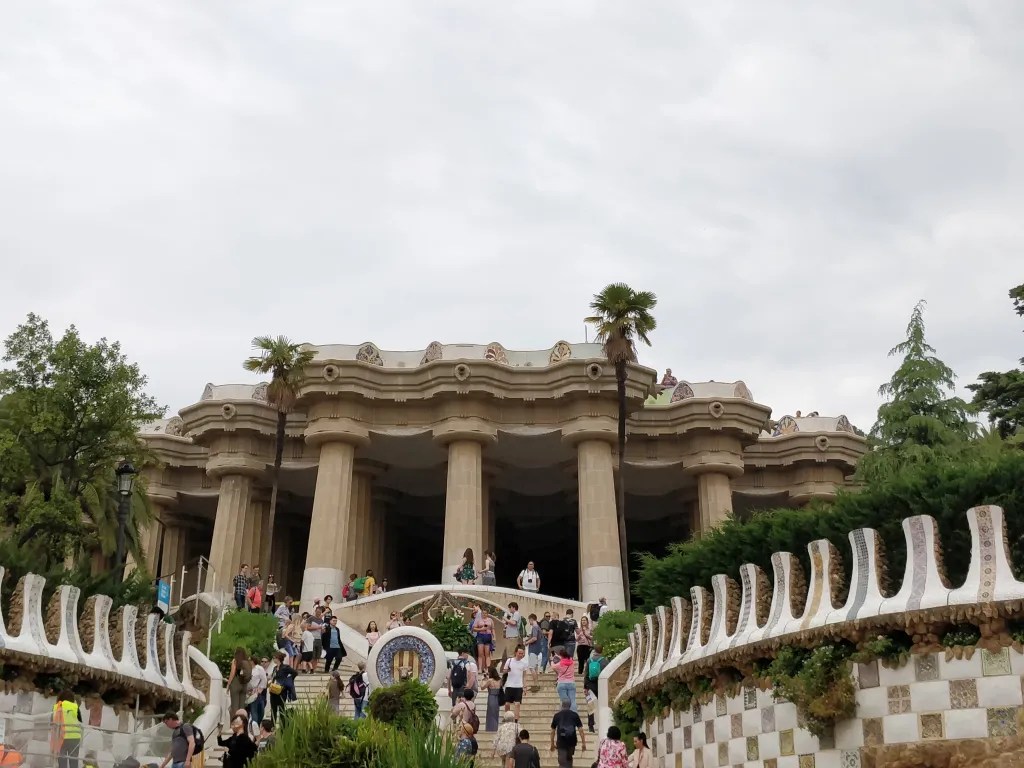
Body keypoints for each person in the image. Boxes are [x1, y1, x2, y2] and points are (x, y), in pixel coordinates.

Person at [50, 690, 82, 768]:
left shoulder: (56, 706)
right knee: (73, 761)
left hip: (61, 737)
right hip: (75, 737)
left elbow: (52, 721)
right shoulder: (75, 706)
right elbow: (79, 719)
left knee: (62, 761)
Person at [550, 699, 586, 768]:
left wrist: (552, 744)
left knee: (562, 763)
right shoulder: (575, 715)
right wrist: (583, 743)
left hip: (561, 742)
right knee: (569, 760)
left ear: (562, 705)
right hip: (572, 742)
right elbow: (581, 730)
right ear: (570, 706)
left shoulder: (557, 715)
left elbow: (552, 731)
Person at [501, 645, 529, 723]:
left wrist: (525, 686)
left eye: (522, 653)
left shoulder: (524, 663)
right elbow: (504, 671)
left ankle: (516, 720)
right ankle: (507, 717)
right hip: (509, 685)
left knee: (517, 704)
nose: (521, 655)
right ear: (515, 652)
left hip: (518, 686)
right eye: (519, 653)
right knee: (507, 704)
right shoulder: (509, 660)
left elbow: (524, 675)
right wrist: (507, 670)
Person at [268, 651, 297, 723]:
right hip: (273, 691)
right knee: (273, 709)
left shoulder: (285, 667)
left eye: (274, 658)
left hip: (282, 692)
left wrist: (287, 681)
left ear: (278, 658)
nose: (273, 659)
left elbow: (295, 673)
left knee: (281, 709)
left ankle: (283, 726)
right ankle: (273, 725)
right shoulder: (275, 668)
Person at [226, 647, 252, 713]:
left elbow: (232, 673)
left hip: (236, 684)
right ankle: (242, 721)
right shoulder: (247, 662)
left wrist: (228, 685)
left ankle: (235, 721)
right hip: (244, 685)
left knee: (234, 707)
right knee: (242, 707)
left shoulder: (235, 661)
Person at [246, 652, 268, 725]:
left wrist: (259, 690)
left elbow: (264, 680)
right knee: (246, 711)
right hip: (246, 692)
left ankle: (256, 726)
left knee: (254, 710)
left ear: (253, 661)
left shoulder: (259, 669)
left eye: (249, 660)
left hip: (255, 692)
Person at [553, 647, 577, 712]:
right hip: (571, 683)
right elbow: (566, 659)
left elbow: (553, 666)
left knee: (563, 701)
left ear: (561, 656)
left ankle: (563, 716)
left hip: (561, 683)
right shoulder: (572, 662)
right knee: (573, 700)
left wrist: (553, 659)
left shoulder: (560, 664)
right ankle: (574, 715)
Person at [480, 666, 503, 731]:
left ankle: (490, 728)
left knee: (490, 713)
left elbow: (482, 687)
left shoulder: (490, 680)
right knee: (496, 713)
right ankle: (495, 728)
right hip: (497, 698)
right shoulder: (500, 680)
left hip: (491, 697)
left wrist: (482, 679)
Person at [524, 614, 542, 690]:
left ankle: (536, 684)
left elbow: (534, 638)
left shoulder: (534, 627)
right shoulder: (539, 628)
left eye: (529, 620)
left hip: (533, 650)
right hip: (538, 650)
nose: (529, 622)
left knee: (531, 667)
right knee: (535, 667)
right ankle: (536, 684)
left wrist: (526, 642)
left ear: (531, 619)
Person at [473, 609, 494, 673]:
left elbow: (493, 629)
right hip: (480, 636)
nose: (484, 614)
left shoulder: (490, 620)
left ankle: (487, 668)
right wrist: (481, 629)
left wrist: (494, 637)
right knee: (480, 653)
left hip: (488, 636)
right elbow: (473, 628)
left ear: (487, 614)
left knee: (487, 653)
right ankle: (480, 668)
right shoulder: (478, 620)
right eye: (483, 613)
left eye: (485, 613)